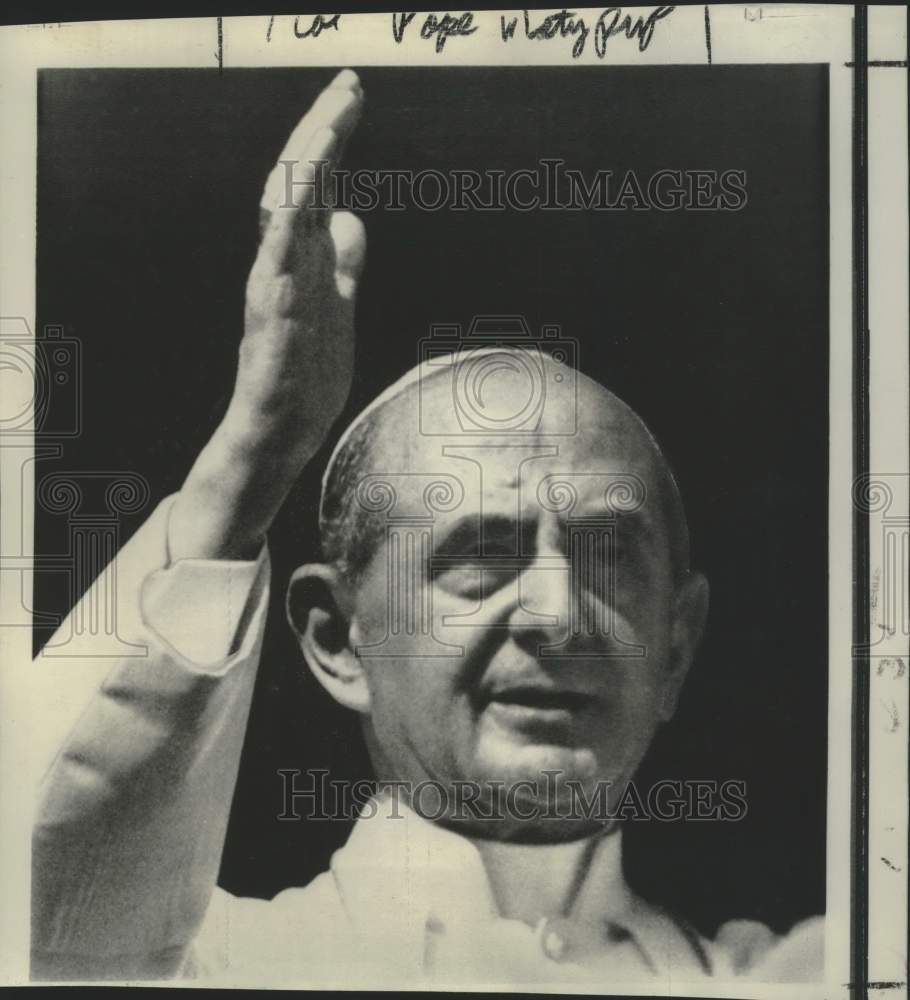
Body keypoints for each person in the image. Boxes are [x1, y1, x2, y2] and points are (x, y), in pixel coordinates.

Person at [31, 69, 823, 987]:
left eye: (609, 555)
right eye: (482, 556)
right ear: (337, 640)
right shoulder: (206, 968)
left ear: (677, 648)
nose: (557, 611)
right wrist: (254, 453)